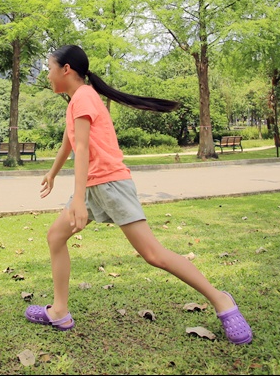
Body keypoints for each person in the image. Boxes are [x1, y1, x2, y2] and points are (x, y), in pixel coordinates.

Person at [24, 45, 252, 344]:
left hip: (110, 184)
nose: (48, 73)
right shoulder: (77, 101)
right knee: (56, 237)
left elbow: (81, 149)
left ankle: (221, 299)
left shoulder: (83, 97)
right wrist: (52, 173)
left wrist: (77, 199)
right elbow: (71, 142)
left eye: (49, 67)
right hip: (94, 186)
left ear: (66, 69)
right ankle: (59, 311)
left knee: (154, 255)